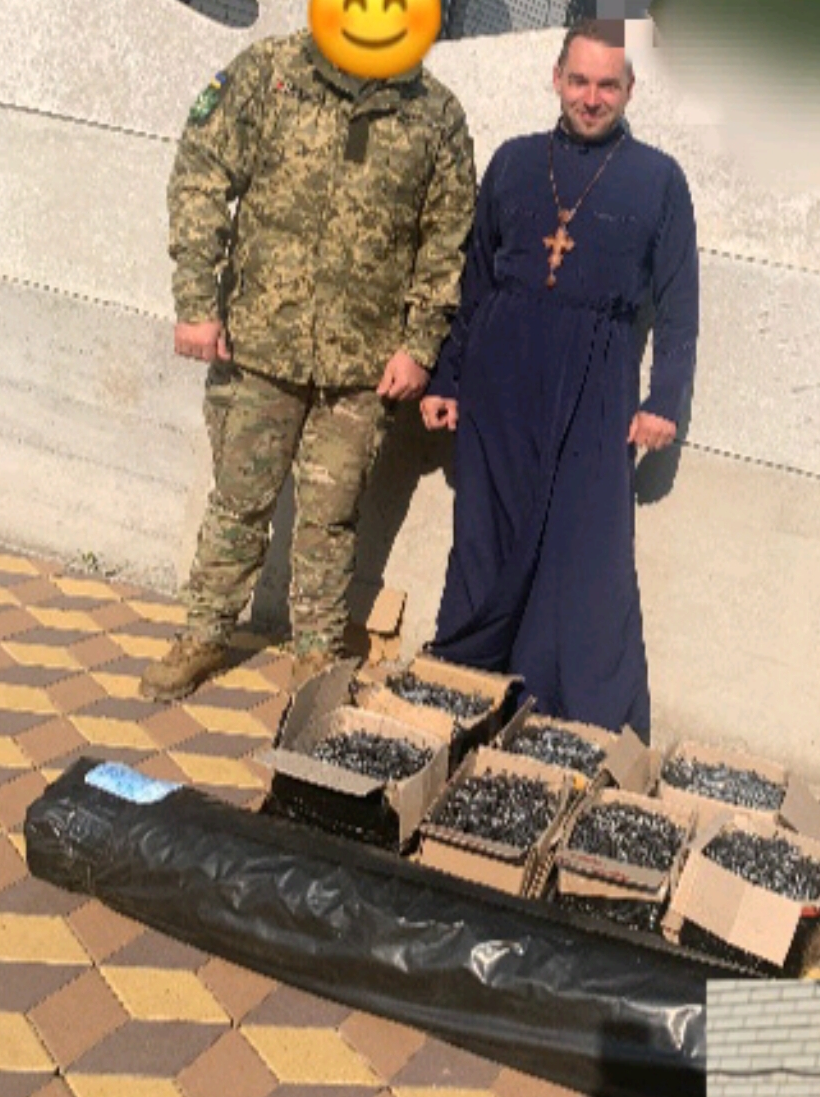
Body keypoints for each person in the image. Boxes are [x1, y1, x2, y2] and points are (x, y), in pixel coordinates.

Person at [140, 28, 476, 702]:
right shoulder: (270, 72)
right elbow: (201, 174)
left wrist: (419, 346)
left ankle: (315, 654)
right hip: (258, 344)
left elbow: (447, 242)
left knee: (331, 517)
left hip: (361, 365)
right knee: (238, 502)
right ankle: (205, 633)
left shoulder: (433, 112)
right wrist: (196, 302)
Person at [420, 19, 698, 740]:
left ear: (629, 90)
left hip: (597, 381)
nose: (591, 97)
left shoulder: (659, 179)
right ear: (555, 79)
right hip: (500, 377)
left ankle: (569, 721)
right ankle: (464, 693)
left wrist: (663, 399)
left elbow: (678, 306)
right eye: (578, 81)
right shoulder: (514, 161)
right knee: (486, 538)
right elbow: (474, 280)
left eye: (607, 85)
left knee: (586, 555)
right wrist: (447, 377)